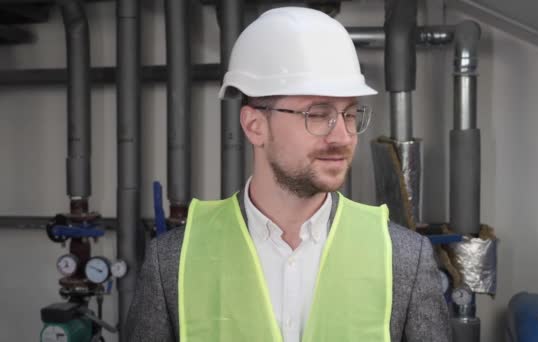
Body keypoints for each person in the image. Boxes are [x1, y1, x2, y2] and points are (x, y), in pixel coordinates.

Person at [126, 7, 450, 342]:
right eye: (318, 114)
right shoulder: (173, 263)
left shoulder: (404, 259)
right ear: (255, 126)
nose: (342, 136)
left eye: (350, 114)